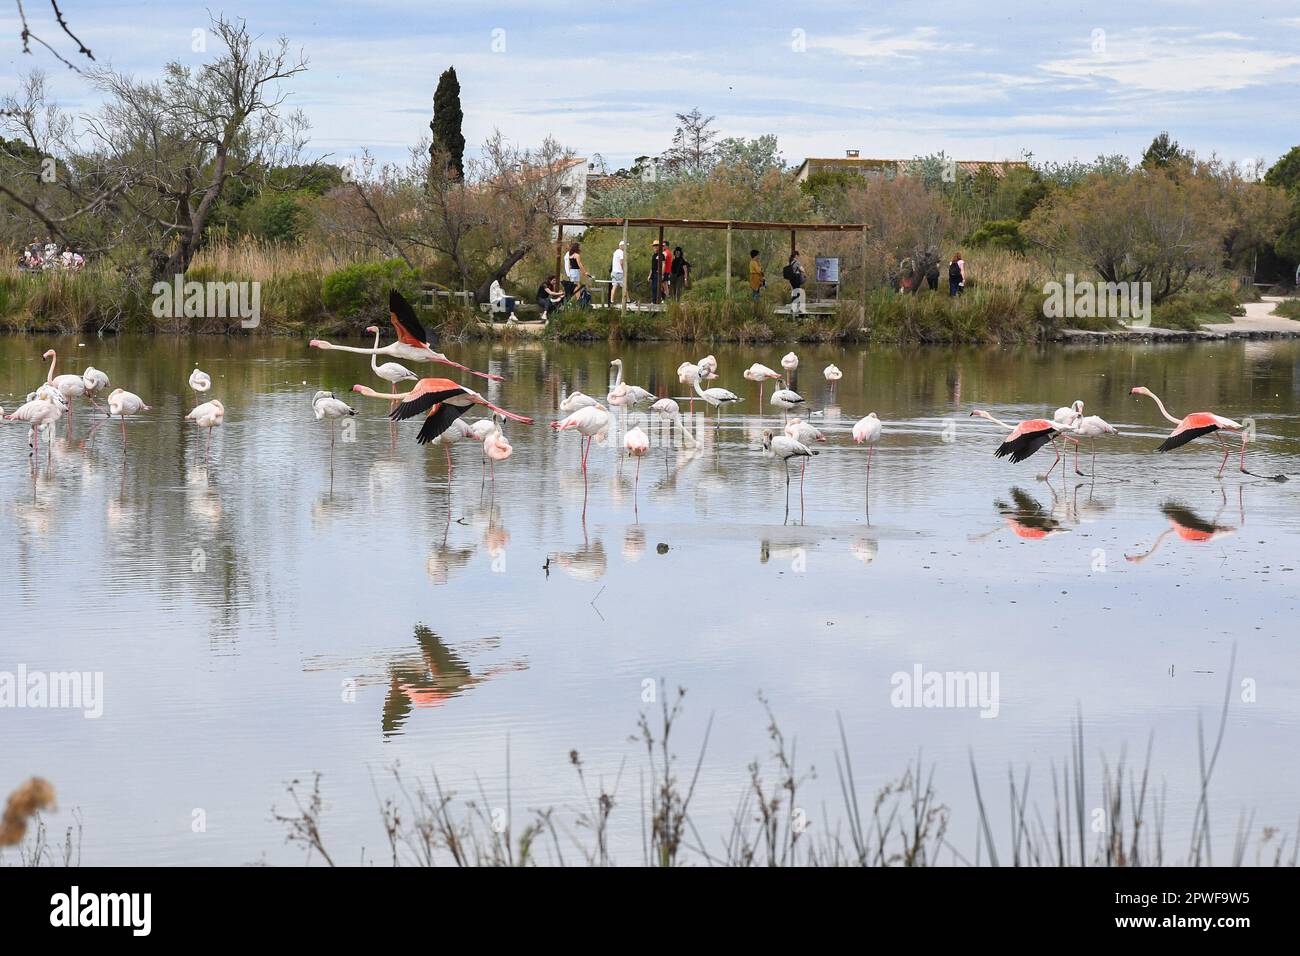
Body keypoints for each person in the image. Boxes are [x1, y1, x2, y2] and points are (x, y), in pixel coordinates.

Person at [783, 250, 806, 315]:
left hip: (792, 279)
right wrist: (802, 271)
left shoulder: (791, 261)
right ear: (796, 256)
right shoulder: (797, 262)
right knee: (797, 293)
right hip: (796, 279)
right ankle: (795, 308)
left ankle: (794, 307)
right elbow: (802, 270)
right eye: (798, 255)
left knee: (794, 292)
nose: (799, 257)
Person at [609, 240, 628, 306]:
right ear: (622, 246)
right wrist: (624, 270)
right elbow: (621, 262)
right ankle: (628, 300)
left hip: (614, 272)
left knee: (614, 286)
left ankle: (611, 300)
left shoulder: (615, 252)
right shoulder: (621, 252)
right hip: (619, 272)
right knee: (624, 286)